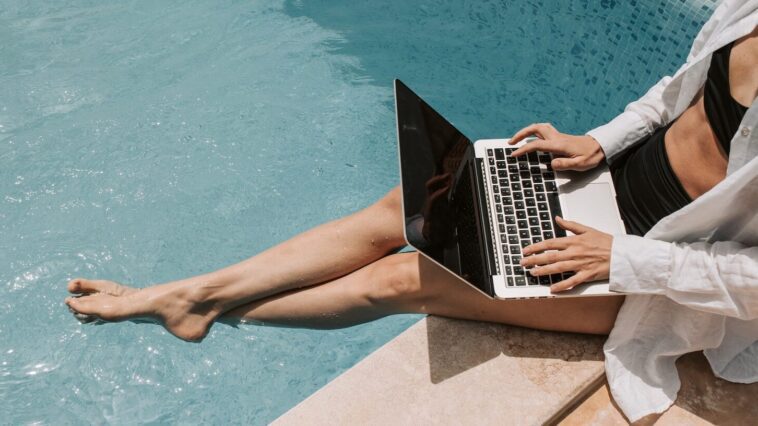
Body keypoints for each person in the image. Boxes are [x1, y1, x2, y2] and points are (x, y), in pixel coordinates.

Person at [65, 2, 757, 421]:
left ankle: (208, 308)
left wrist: (620, 258)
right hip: (604, 185)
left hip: (651, 270)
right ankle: (194, 296)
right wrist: (600, 141)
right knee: (410, 203)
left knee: (407, 278)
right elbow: (678, 91)